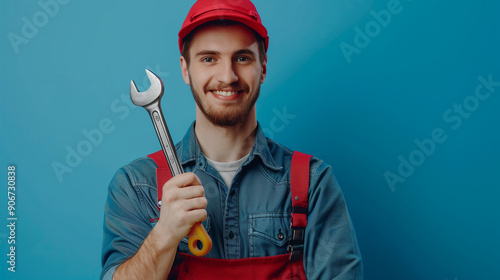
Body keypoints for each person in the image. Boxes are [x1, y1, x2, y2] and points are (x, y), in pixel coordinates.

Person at [101, 0, 363, 279]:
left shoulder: (312, 182)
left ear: (262, 68)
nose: (227, 76)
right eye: (208, 58)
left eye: (242, 58)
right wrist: (164, 235)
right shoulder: (136, 185)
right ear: (185, 69)